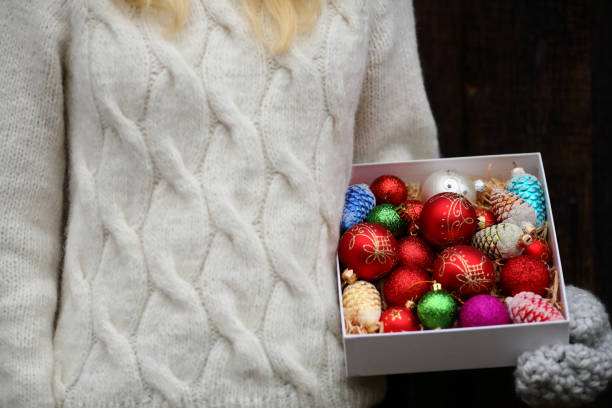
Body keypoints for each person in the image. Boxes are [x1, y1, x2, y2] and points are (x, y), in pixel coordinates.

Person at [1, 1, 610, 407]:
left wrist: (514, 293)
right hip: (107, 389)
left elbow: (402, 209)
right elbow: (13, 228)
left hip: (316, 392)